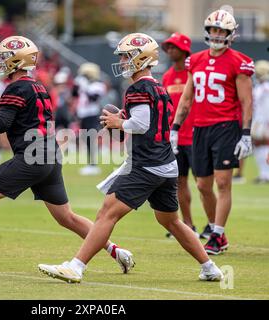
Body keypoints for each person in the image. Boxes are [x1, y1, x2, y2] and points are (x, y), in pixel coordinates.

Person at [0, 36, 134, 276]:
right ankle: (116, 251)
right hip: (50, 156)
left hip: (32, 157)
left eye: (6, 56)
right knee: (66, 217)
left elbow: (1, 126)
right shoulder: (38, 86)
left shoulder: (15, 87)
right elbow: (25, 117)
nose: (2, 61)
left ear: (18, 60)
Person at [38, 33, 223, 283]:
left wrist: (119, 122)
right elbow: (153, 120)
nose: (123, 61)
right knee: (172, 221)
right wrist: (124, 119)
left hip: (146, 165)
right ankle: (210, 267)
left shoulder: (138, 87)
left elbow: (142, 124)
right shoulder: (157, 86)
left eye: (127, 56)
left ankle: (76, 266)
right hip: (165, 163)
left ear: (142, 58)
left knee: (106, 214)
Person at [170, 9, 254, 255]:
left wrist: (246, 133)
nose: (217, 35)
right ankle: (219, 232)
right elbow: (186, 98)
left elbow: (246, 101)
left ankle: (216, 234)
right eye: (214, 30)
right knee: (203, 185)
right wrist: (175, 128)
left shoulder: (239, 61)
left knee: (222, 182)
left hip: (226, 126)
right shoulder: (195, 60)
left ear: (230, 34)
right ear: (207, 31)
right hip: (199, 127)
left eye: (222, 31)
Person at [161, 32, 199, 238]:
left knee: (203, 184)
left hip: (195, 136)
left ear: (184, 50)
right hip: (175, 138)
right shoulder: (167, 76)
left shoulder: (193, 73)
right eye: (168, 47)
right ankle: (188, 225)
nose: (170, 50)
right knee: (179, 182)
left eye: (173, 47)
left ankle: (213, 225)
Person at [73, 62, 106, 176]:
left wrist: (85, 86)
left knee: (90, 139)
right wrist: (76, 85)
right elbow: (74, 94)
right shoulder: (83, 83)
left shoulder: (97, 85)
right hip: (83, 115)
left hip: (92, 115)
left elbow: (93, 99)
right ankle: (90, 164)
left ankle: (93, 165)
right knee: (86, 140)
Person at [251, 60, 269, 183]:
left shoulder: (265, 88)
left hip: (263, 121)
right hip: (259, 120)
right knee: (258, 146)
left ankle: (266, 174)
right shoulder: (260, 87)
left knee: (263, 145)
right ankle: (264, 174)